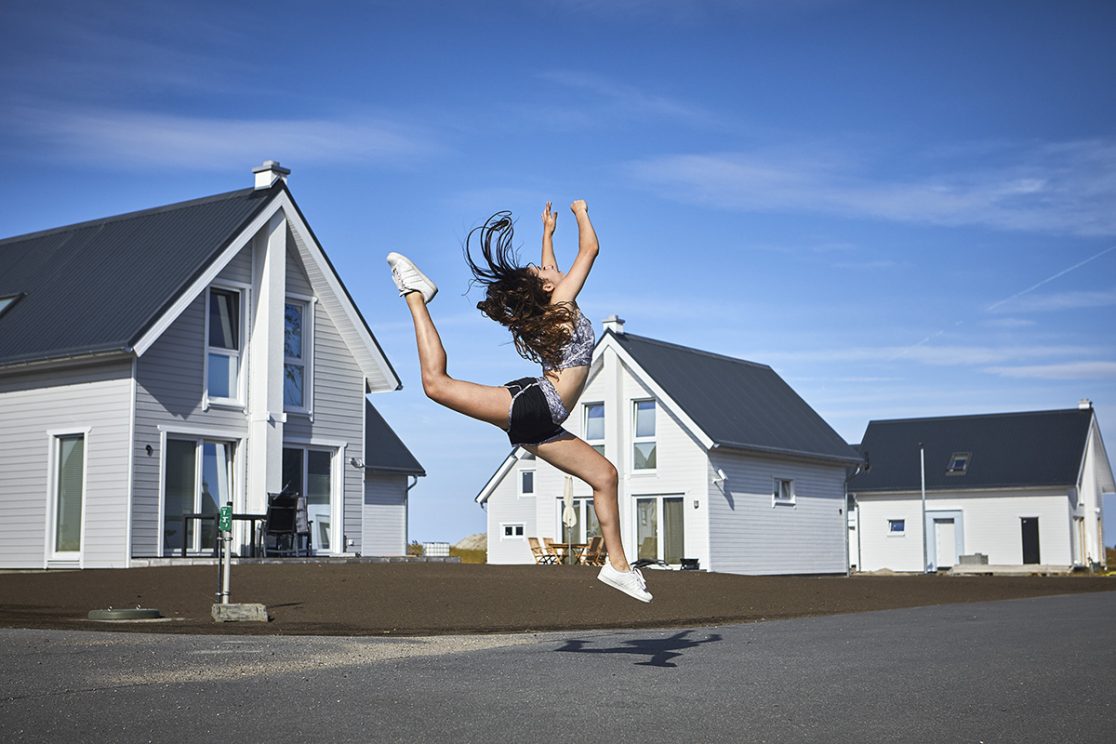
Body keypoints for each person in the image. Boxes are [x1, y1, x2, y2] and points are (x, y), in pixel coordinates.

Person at [386, 200, 652, 602]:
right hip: (537, 407)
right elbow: (590, 250)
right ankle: (414, 293)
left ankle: (617, 567)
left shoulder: (556, 303)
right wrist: (581, 212)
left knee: (605, 477)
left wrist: (547, 232)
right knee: (436, 385)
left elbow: (550, 269)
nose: (548, 266)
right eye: (545, 270)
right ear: (548, 287)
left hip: (542, 422)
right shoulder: (560, 302)